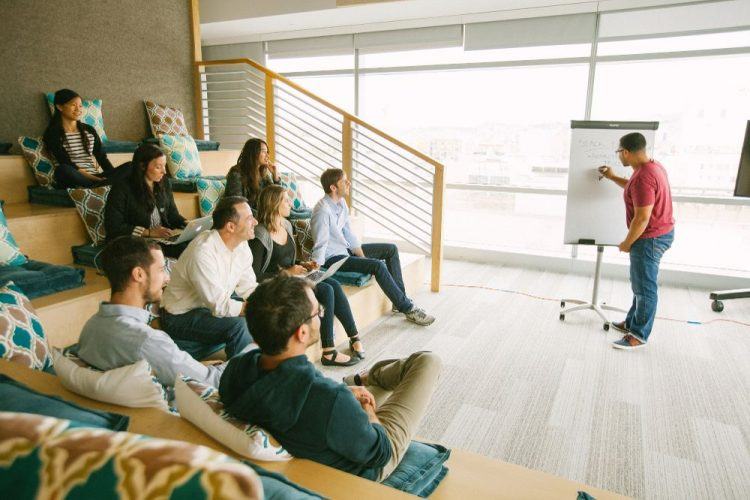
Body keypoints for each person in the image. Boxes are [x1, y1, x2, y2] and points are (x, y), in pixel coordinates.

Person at [219, 275, 442, 482]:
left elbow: (299, 392)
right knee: (427, 361)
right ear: (301, 333)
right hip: (365, 467)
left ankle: (365, 379)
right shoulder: (329, 398)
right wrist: (367, 409)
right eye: (318, 312)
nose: (322, 315)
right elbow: (380, 453)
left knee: (371, 389)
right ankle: (368, 377)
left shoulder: (237, 369)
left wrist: (344, 395)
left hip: (325, 429)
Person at [77, 236, 226, 388]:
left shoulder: (90, 327)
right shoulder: (147, 340)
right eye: (161, 270)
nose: (167, 278)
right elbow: (214, 381)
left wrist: (196, 367)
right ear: (139, 274)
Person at [250, 185, 363, 367]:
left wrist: (304, 264)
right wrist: (287, 273)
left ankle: (354, 336)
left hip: (292, 280)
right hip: (274, 288)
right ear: (274, 204)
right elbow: (254, 275)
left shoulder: (286, 226)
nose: (290, 203)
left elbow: (288, 260)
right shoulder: (260, 234)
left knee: (333, 284)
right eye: (286, 200)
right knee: (326, 290)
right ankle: (329, 351)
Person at [311, 168, 435, 326]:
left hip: (346, 251)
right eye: (344, 181)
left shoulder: (341, 203)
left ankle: (399, 301)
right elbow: (320, 242)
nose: (349, 183)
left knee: (391, 249)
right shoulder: (322, 211)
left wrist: (362, 258)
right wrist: (316, 268)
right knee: (377, 265)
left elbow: (349, 234)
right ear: (333, 187)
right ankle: (408, 308)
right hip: (333, 259)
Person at [598, 132, 675, 350]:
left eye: (619, 152)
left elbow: (642, 218)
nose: (618, 156)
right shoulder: (653, 167)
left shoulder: (643, 177)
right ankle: (632, 322)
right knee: (640, 283)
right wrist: (613, 177)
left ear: (626, 152)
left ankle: (638, 335)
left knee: (644, 288)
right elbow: (634, 189)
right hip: (660, 232)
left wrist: (627, 242)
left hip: (649, 238)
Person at [160, 196, 257, 359]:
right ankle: (237, 372)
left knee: (262, 312)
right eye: (249, 219)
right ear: (231, 227)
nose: (255, 222)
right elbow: (219, 305)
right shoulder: (203, 252)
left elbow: (248, 287)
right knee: (240, 325)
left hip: (206, 306)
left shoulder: (242, 245)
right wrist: (256, 309)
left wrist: (268, 301)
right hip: (179, 315)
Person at [105, 144, 188, 258]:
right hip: (133, 241)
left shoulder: (164, 183)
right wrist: (149, 232)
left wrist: (188, 224)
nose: (164, 171)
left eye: (164, 166)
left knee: (195, 243)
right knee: (183, 250)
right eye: (158, 167)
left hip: (160, 238)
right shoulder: (122, 188)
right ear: (142, 166)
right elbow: (113, 226)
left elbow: (172, 215)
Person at [42, 88, 131, 188]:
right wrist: (96, 179)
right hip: (76, 177)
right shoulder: (53, 133)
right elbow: (65, 161)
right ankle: (102, 185)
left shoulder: (89, 130)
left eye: (80, 106)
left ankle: (104, 184)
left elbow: (102, 158)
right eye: (73, 105)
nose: (78, 109)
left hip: (96, 176)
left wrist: (112, 175)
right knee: (62, 169)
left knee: (131, 166)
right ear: (60, 107)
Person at [224, 138, 280, 215]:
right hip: (246, 216)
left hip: (263, 215)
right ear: (253, 153)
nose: (267, 155)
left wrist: (275, 177)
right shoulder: (236, 174)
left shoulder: (263, 174)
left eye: (267, 152)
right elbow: (237, 204)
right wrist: (263, 216)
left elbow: (276, 198)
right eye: (264, 151)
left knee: (286, 211)